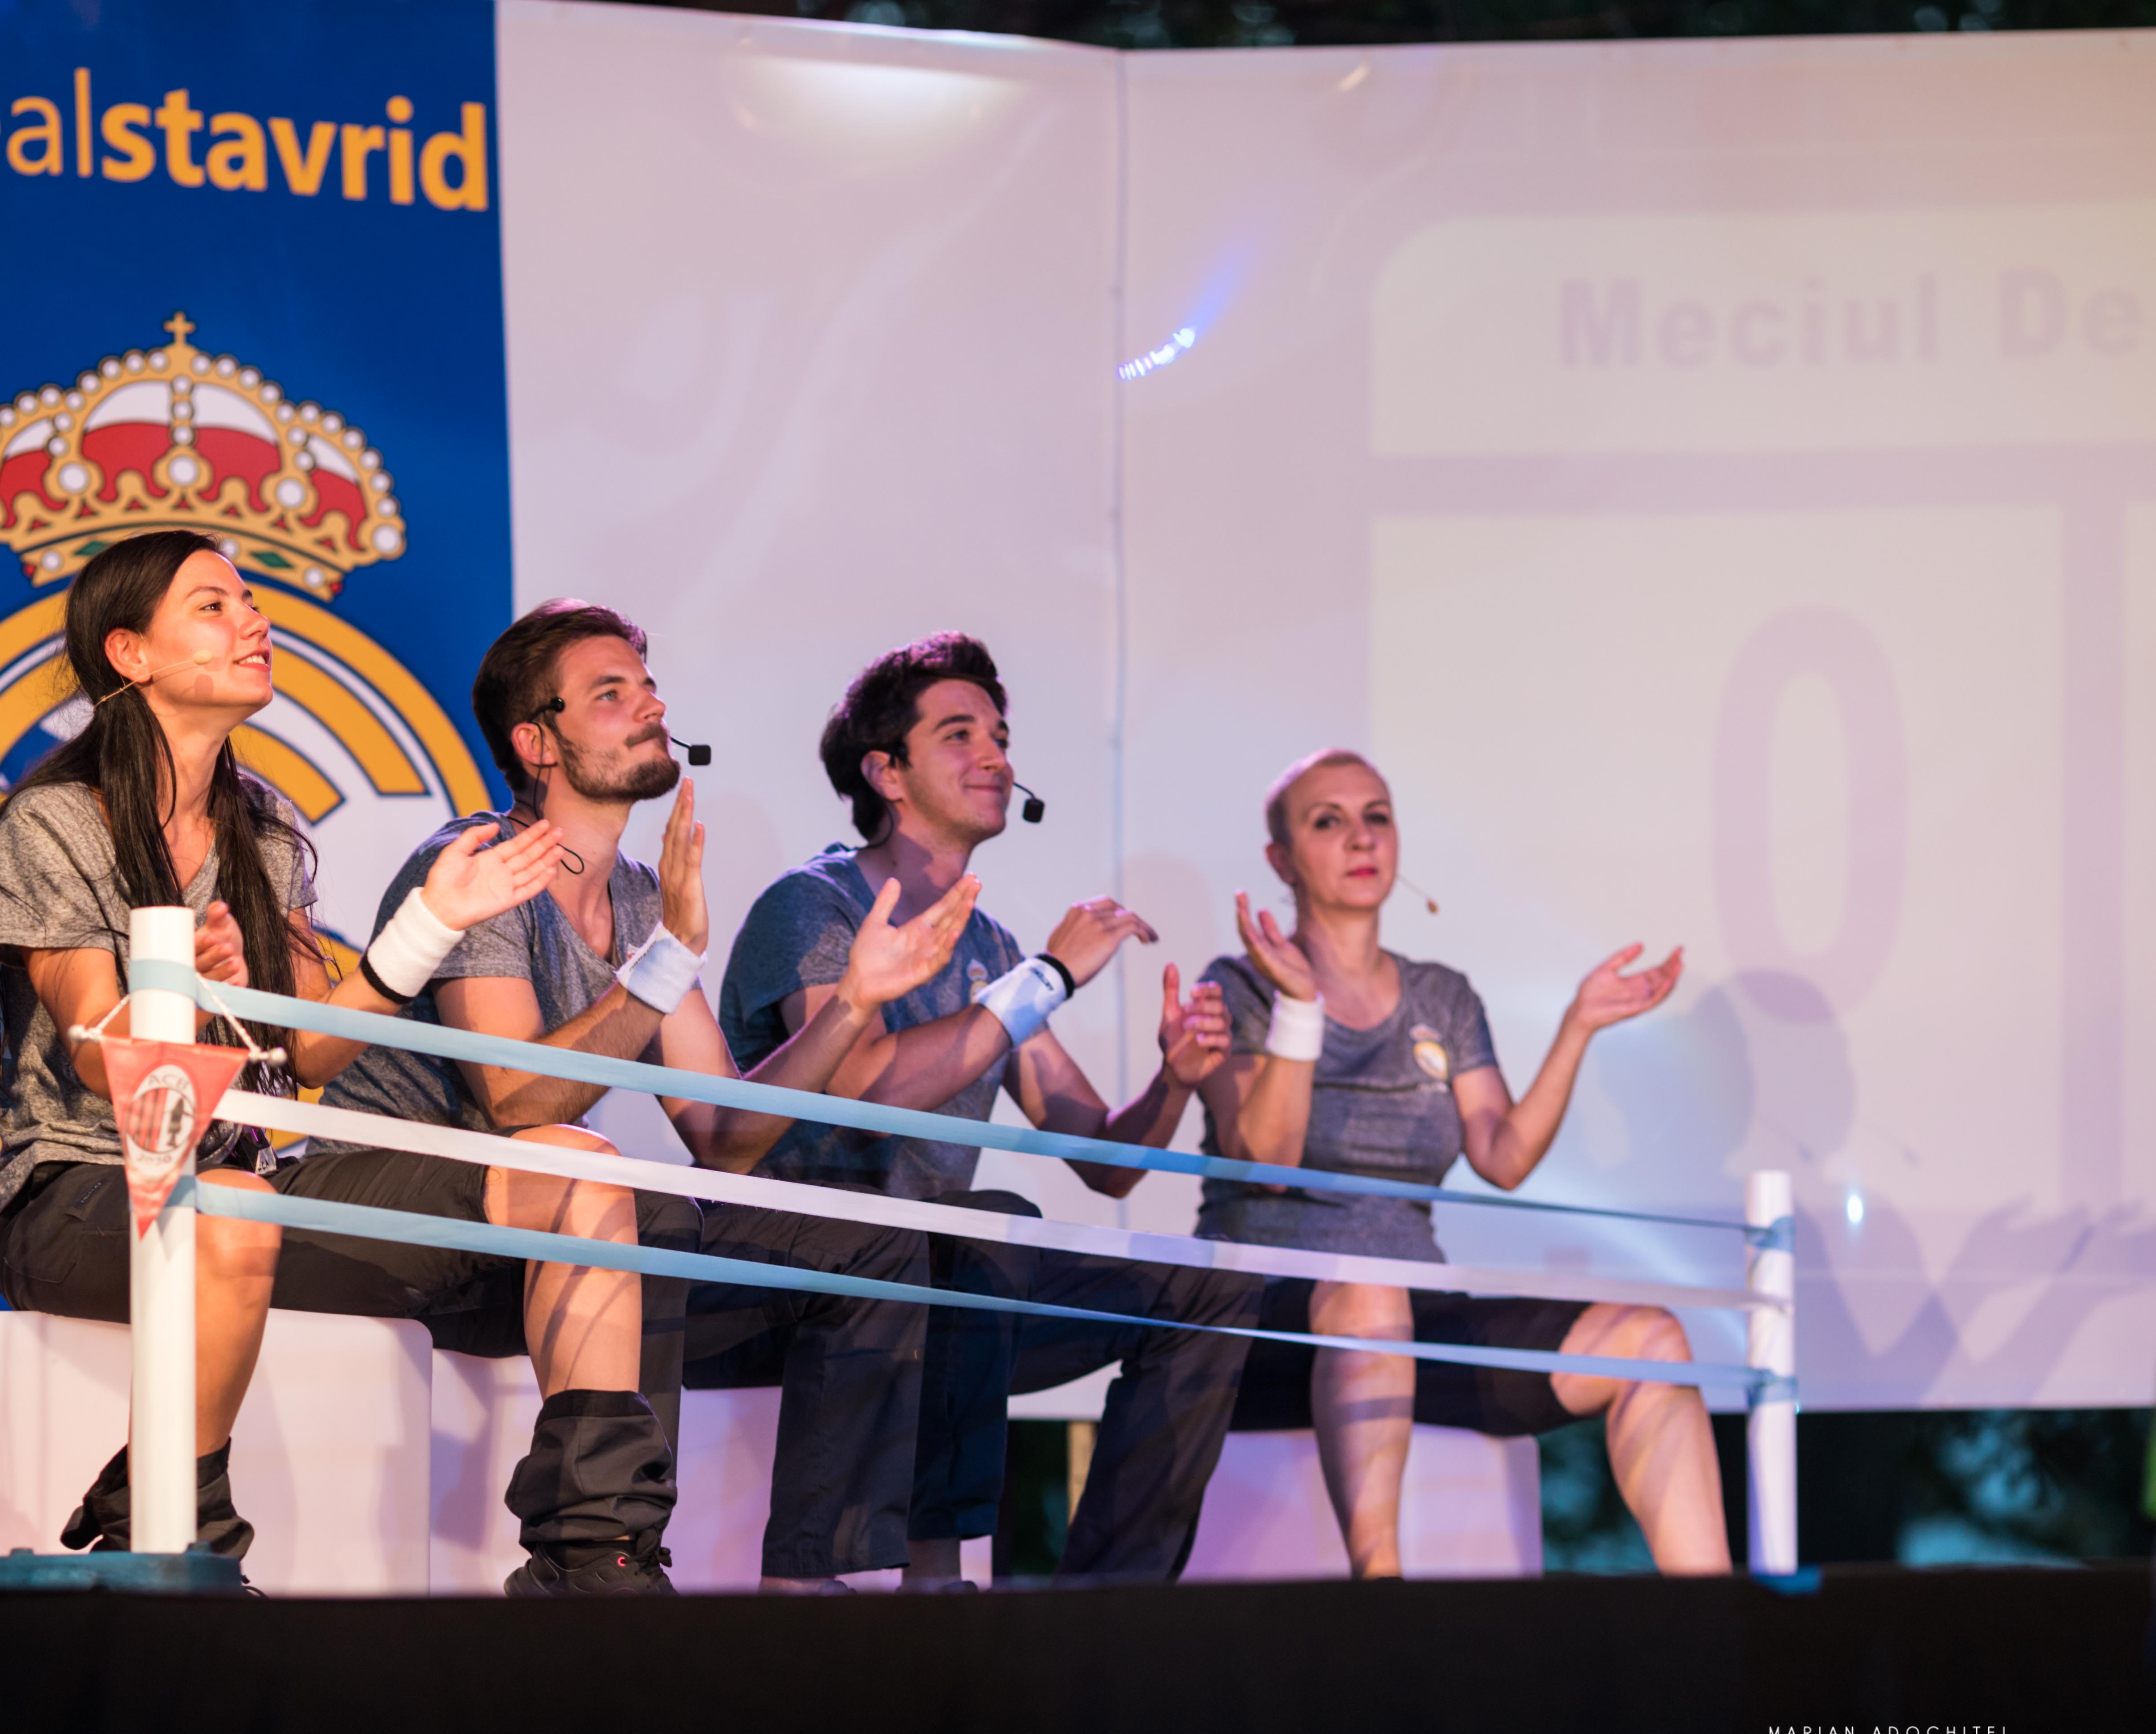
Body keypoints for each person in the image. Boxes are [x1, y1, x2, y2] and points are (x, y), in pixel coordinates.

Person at [0, 530, 677, 1597]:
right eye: (214, 605)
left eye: (250, 600)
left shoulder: (263, 830)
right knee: (238, 1206)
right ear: (130, 652)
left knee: (581, 1169)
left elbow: (311, 1049)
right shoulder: (56, 821)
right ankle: (169, 1530)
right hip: (81, 1198)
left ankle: (596, 1558)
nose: (253, 621)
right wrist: (180, 995)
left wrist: (431, 924)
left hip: (241, 1194)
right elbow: (114, 1064)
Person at [323, 600, 979, 1594]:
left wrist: (853, 1003)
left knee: (875, 1247)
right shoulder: (480, 864)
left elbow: (726, 1134)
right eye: (611, 693)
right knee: (648, 1206)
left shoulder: (637, 895)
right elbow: (515, 1099)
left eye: (649, 687)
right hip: (429, 1231)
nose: (653, 706)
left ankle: (813, 1584)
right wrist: (666, 962)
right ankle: (611, 1558)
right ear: (537, 743)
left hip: (557, 1232)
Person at [716, 632, 1265, 1588]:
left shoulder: (992, 948)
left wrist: (1174, 1080)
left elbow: (1102, 1160)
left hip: (945, 1288)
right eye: (960, 734)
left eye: (1002, 737)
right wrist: (1047, 979)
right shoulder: (814, 905)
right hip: (798, 1280)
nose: (997, 758)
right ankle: (933, 1576)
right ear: (886, 772)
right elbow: (866, 1092)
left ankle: (1109, 1601)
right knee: (986, 1230)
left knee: (1208, 1287)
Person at [1193, 746, 1727, 1577]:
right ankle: (1386, 1596)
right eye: (1329, 822)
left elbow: (1503, 1157)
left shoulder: (1441, 996)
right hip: (1264, 1327)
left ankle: (1718, 1619)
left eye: (1377, 817)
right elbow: (1267, 1161)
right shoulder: (1242, 985)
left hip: (1410, 1323)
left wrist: (1578, 1026)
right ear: (1282, 860)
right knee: (1370, 1294)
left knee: (1651, 1339)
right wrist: (1301, 1007)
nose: (1362, 838)